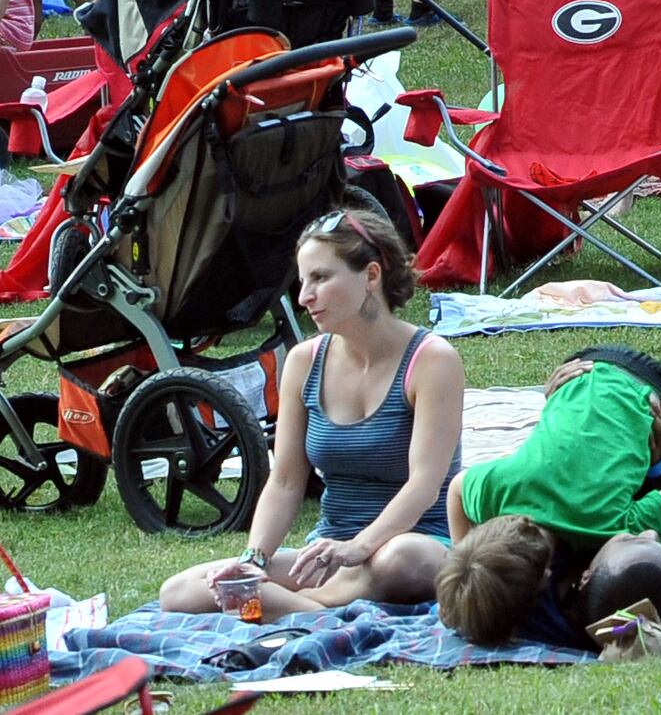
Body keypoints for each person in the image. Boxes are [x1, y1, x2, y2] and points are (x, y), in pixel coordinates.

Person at [157, 207, 460, 615]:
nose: (304, 297)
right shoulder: (304, 362)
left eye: (320, 278)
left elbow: (424, 486)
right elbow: (284, 482)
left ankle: (298, 609)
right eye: (303, 282)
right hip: (327, 555)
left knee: (402, 560)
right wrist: (255, 561)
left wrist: (360, 546)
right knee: (179, 591)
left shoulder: (431, 360)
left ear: (371, 275)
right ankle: (303, 607)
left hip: (414, 543)